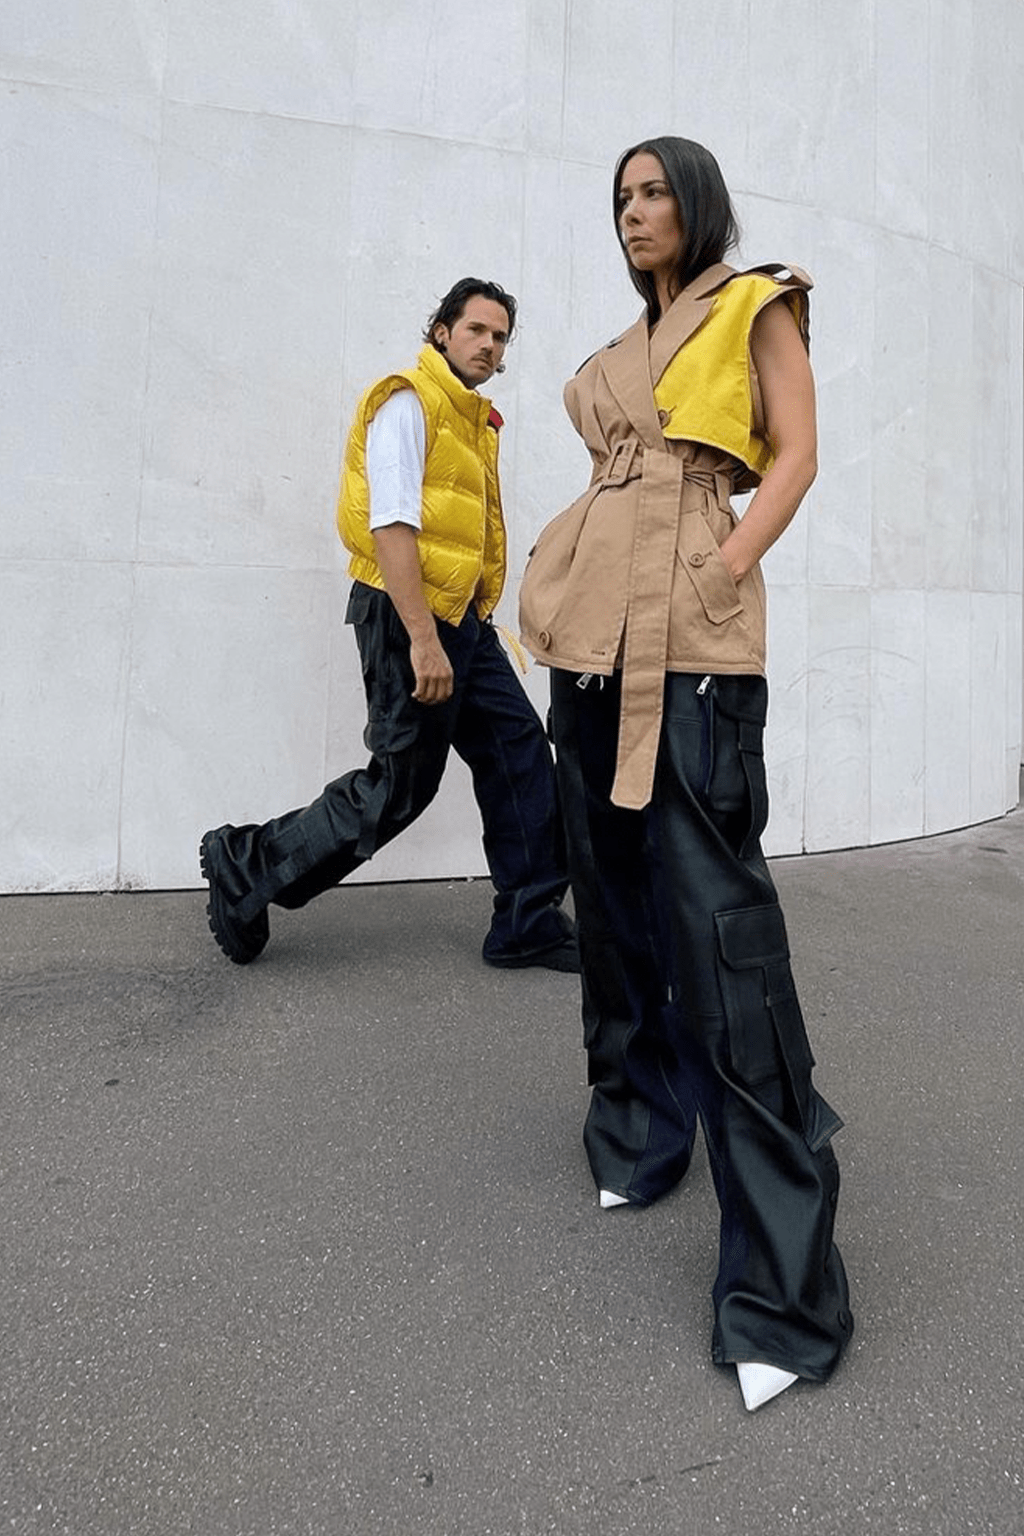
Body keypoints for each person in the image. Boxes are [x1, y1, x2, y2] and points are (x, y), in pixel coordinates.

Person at [519, 139, 853, 1410]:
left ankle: (782, 1286)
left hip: (694, 649)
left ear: (697, 201)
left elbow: (795, 455)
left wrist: (720, 572)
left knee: (719, 935)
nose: (633, 212)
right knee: (610, 910)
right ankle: (637, 1129)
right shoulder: (618, 348)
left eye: (654, 191)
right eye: (620, 197)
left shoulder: (755, 303)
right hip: (587, 643)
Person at [201, 278, 577, 973]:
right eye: (476, 330)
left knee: (520, 751)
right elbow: (392, 527)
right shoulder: (408, 402)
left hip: (461, 620)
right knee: (400, 784)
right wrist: (424, 640)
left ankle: (527, 922)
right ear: (442, 331)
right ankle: (246, 863)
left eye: (500, 337)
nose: (489, 345)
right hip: (408, 615)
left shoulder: (470, 420)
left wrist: (464, 624)